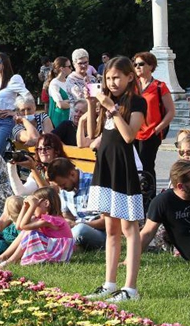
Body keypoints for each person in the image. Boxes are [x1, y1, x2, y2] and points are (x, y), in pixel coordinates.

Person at [84, 56, 146, 303]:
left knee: (129, 228)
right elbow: (91, 135)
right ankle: (110, 283)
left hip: (123, 168)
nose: (112, 82)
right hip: (105, 167)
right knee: (111, 228)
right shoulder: (108, 102)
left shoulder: (136, 102)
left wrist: (111, 108)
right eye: (108, 78)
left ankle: (130, 288)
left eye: (117, 77)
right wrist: (92, 104)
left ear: (130, 77)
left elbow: (129, 136)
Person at [133, 52, 175, 200]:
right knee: (133, 168)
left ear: (151, 66)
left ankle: (150, 200)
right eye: (135, 64)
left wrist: (157, 129)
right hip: (132, 132)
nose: (137, 67)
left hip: (150, 133)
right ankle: (137, 198)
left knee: (147, 167)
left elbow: (171, 111)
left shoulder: (159, 86)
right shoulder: (133, 86)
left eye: (141, 64)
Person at [47, 157, 106, 251]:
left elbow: (106, 222)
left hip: (100, 232)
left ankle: (59, 247)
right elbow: (68, 215)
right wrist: (67, 223)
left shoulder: (94, 184)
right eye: (59, 186)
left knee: (80, 230)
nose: (61, 188)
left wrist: (77, 224)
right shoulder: (66, 189)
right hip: (77, 228)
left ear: (72, 174)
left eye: (63, 184)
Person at [16, 187, 74, 266]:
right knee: (26, 231)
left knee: (30, 231)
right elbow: (19, 226)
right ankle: (4, 257)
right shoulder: (42, 218)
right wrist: (25, 206)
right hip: (55, 250)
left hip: (59, 254)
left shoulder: (51, 219)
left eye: (36, 204)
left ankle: (11, 259)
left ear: (46, 203)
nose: (33, 208)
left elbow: (23, 226)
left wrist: (32, 206)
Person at [0, 52, 29, 154]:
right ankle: (4, 169)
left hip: (6, 121)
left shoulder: (13, 79)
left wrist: (15, 113)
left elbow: (27, 97)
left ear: (5, 63)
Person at [47, 56, 72, 127]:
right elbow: (61, 105)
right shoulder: (54, 83)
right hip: (58, 119)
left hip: (68, 117)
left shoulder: (68, 81)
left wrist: (67, 102)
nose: (71, 68)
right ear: (62, 69)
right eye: (69, 66)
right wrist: (73, 103)